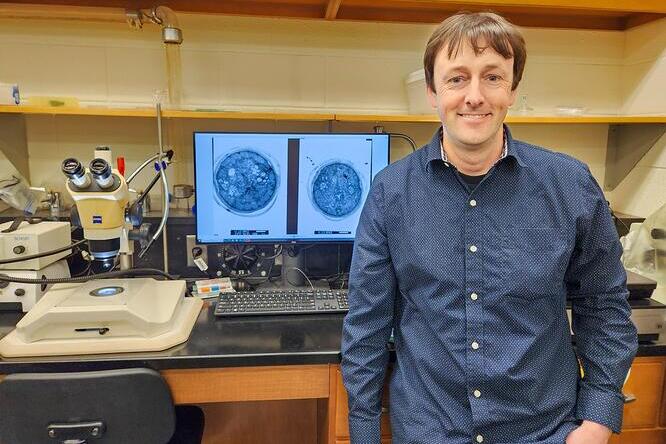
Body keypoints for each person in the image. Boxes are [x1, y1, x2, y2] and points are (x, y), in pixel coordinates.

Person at [341, 11, 638, 444]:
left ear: (513, 89)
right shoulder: (391, 194)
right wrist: (364, 433)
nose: (474, 96)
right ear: (432, 92)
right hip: (430, 432)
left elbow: (605, 307)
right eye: (457, 79)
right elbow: (367, 324)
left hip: (545, 432)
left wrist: (597, 418)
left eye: (492, 77)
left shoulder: (570, 186)